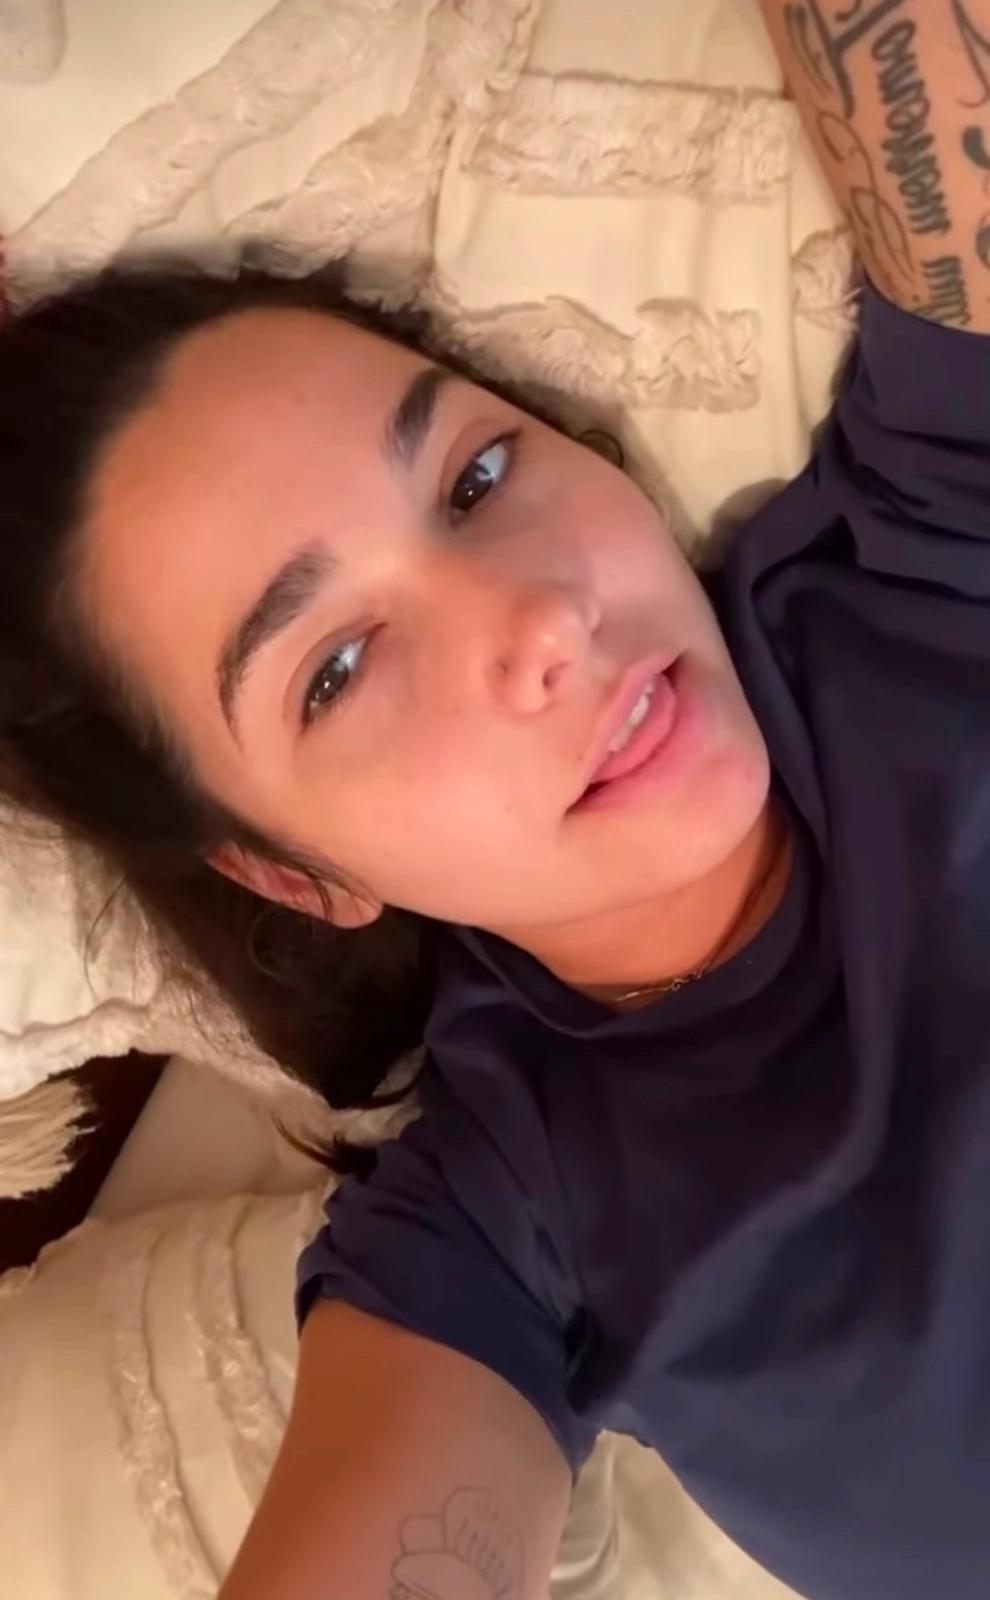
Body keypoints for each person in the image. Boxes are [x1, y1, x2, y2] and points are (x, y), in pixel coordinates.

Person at [2, 1, 989, 1594]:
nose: (537, 619)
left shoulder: (933, 532)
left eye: (474, 476)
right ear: (290, 872)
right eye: (336, 669)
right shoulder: (496, 1239)